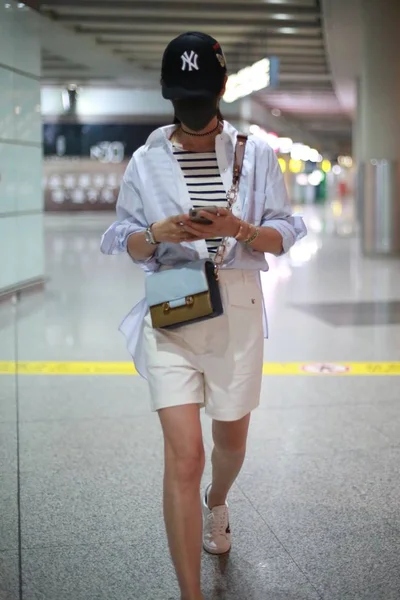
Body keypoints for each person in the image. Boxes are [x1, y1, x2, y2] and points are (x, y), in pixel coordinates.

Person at [101, 31, 306, 600]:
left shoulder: (256, 154)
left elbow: (285, 232)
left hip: (235, 313)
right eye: (181, 98)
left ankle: (219, 502)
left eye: (201, 95)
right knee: (184, 456)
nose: (192, 110)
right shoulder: (146, 160)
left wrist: (237, 229)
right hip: (171, 310)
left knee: (230, 444)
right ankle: (190, 593)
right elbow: (121, 238)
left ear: (221, 89)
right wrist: (153, 233)